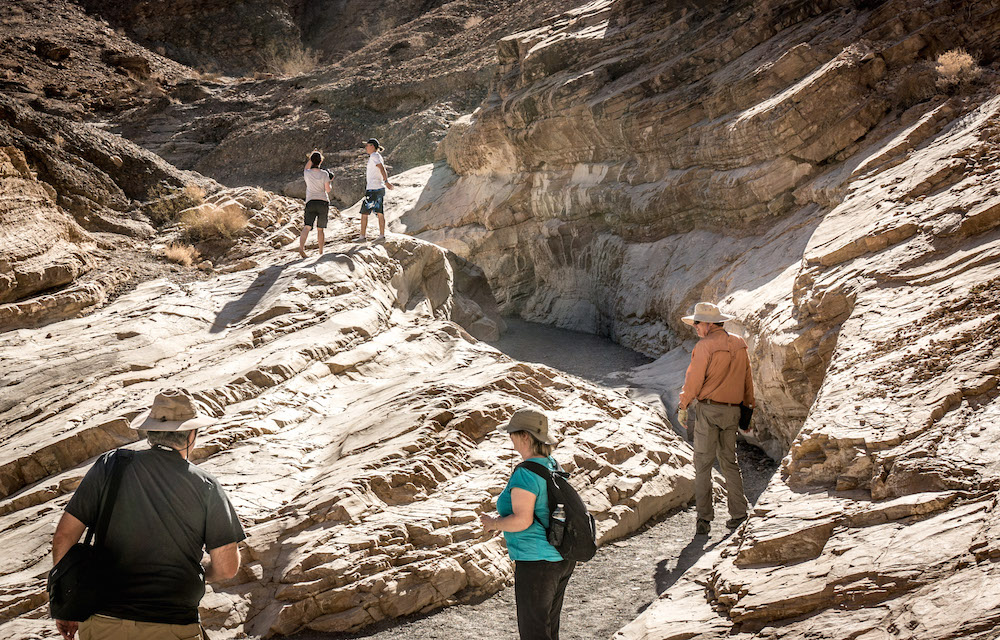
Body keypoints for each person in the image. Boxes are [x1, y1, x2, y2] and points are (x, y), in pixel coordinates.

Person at [50, 389, 246, 640]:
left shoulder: (111, 465)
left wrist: (66, 603)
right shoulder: (206, 486)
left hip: (103, 624)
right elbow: (227, 567)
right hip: (172, 627)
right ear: (191, 435)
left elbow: (63, 537)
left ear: (150, 432)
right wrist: (195, 567)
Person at [480, 408, 576, 640]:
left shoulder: (526, 474)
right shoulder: (552, 464)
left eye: (512, 433)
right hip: (560, 556)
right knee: (548, 629)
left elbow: (522, 520)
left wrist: (494, 523)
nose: (509, 438)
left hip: (537, 561)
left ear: (525, 436)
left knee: (534, 632)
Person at [677, 302, 754, 536]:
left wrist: (683, 405)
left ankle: (703, 519)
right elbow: (747, 379)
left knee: (703, 464)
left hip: (708, 412)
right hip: (733, 411)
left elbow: (693, 381)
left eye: (697, 324)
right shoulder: (739, 343)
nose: (696, 328)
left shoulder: (704, 346)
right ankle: (739, 514)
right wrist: (748, 408)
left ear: (709, 324)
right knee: (729, 462)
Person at [357, 137, 393, 242]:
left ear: (372, 146)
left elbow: (381, 168)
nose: (366, 148)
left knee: (364, 213)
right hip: (378, 188)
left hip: (373, 189)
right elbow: (382, 168)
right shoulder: (377, 156)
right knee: (379, 212)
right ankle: (381, 235)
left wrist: (386, 181)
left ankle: (362, 237)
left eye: (367, 145)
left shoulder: (374, 156)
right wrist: (385, 182)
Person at [299, 150, 332, 258]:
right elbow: (328, 190)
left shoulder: (307, 173)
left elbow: (307, 166)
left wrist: (311, 157)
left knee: (307, 226)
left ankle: (301, 248)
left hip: (310, 201)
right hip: (322, 202)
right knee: (320, 229)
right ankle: (321, 251)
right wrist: (330, 182)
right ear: (321, 161)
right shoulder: (324, 174)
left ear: (311, 161)